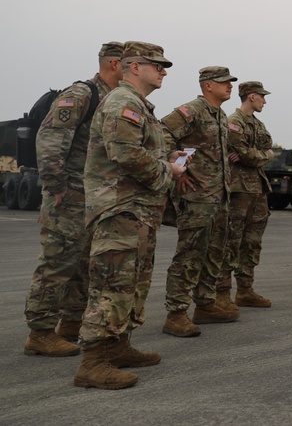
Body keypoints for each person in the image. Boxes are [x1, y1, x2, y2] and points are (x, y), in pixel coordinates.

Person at [73, 41, 185, 389]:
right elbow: (126, 156)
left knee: (131, 285)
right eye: (157, 65)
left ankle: (118, 347)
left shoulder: (138, 105)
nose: (163, 71)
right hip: (120, 209)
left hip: (138, 211)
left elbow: (138, 152)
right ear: (134, 67)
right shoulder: (123, 102)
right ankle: (92, 363)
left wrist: (168, 158)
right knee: (112, 286)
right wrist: (169, 170)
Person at [24, 42, 123, 358]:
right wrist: (57, 187)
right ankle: (40, 332)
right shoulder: (82, 94)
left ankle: (69, 323)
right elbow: (51, 138)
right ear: (114, 64)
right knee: (58, 262)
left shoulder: (112, 99)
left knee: (83, 263)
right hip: (69, 195)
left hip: (93, 197)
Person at [161, 66, 237, 337]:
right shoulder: (191, 110)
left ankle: (205, 304)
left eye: (230, 82)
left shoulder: (220, 114)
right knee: (190, 254)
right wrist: (177, 168)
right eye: (224, 82)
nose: (229, 86)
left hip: (218, 195)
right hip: (197, 196)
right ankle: (176, 313)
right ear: (207, 85)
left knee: (214, 252)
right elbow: (162, 133)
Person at [219, 81, 275, 309]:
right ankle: (221, 294)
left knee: (252, 243)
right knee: (231, 241)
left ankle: (245, 290)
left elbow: (265, 146)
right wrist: (265, 155)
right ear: (252, 97)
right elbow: (247, 154)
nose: (265, 101)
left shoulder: (257, 124)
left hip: (257, 190)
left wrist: (259, 154)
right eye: (262, 96)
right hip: (238, 189)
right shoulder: (233, 122)